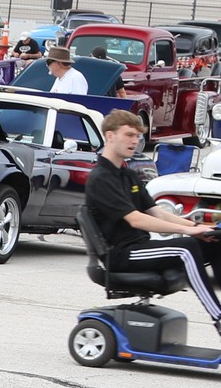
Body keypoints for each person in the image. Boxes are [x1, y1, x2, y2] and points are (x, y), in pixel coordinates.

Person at [85, 108, 221, 324]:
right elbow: (136, 219)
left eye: (137, 136)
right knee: (186, 248)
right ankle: (218, 317)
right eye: (129, 135)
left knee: (214, 241)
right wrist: (188, 231)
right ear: (110, 136)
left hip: (140, 247)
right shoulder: (101, 178)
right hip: (121, 255)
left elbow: (157, 212)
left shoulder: (128, 175)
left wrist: (198, 228)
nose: (135, 141)